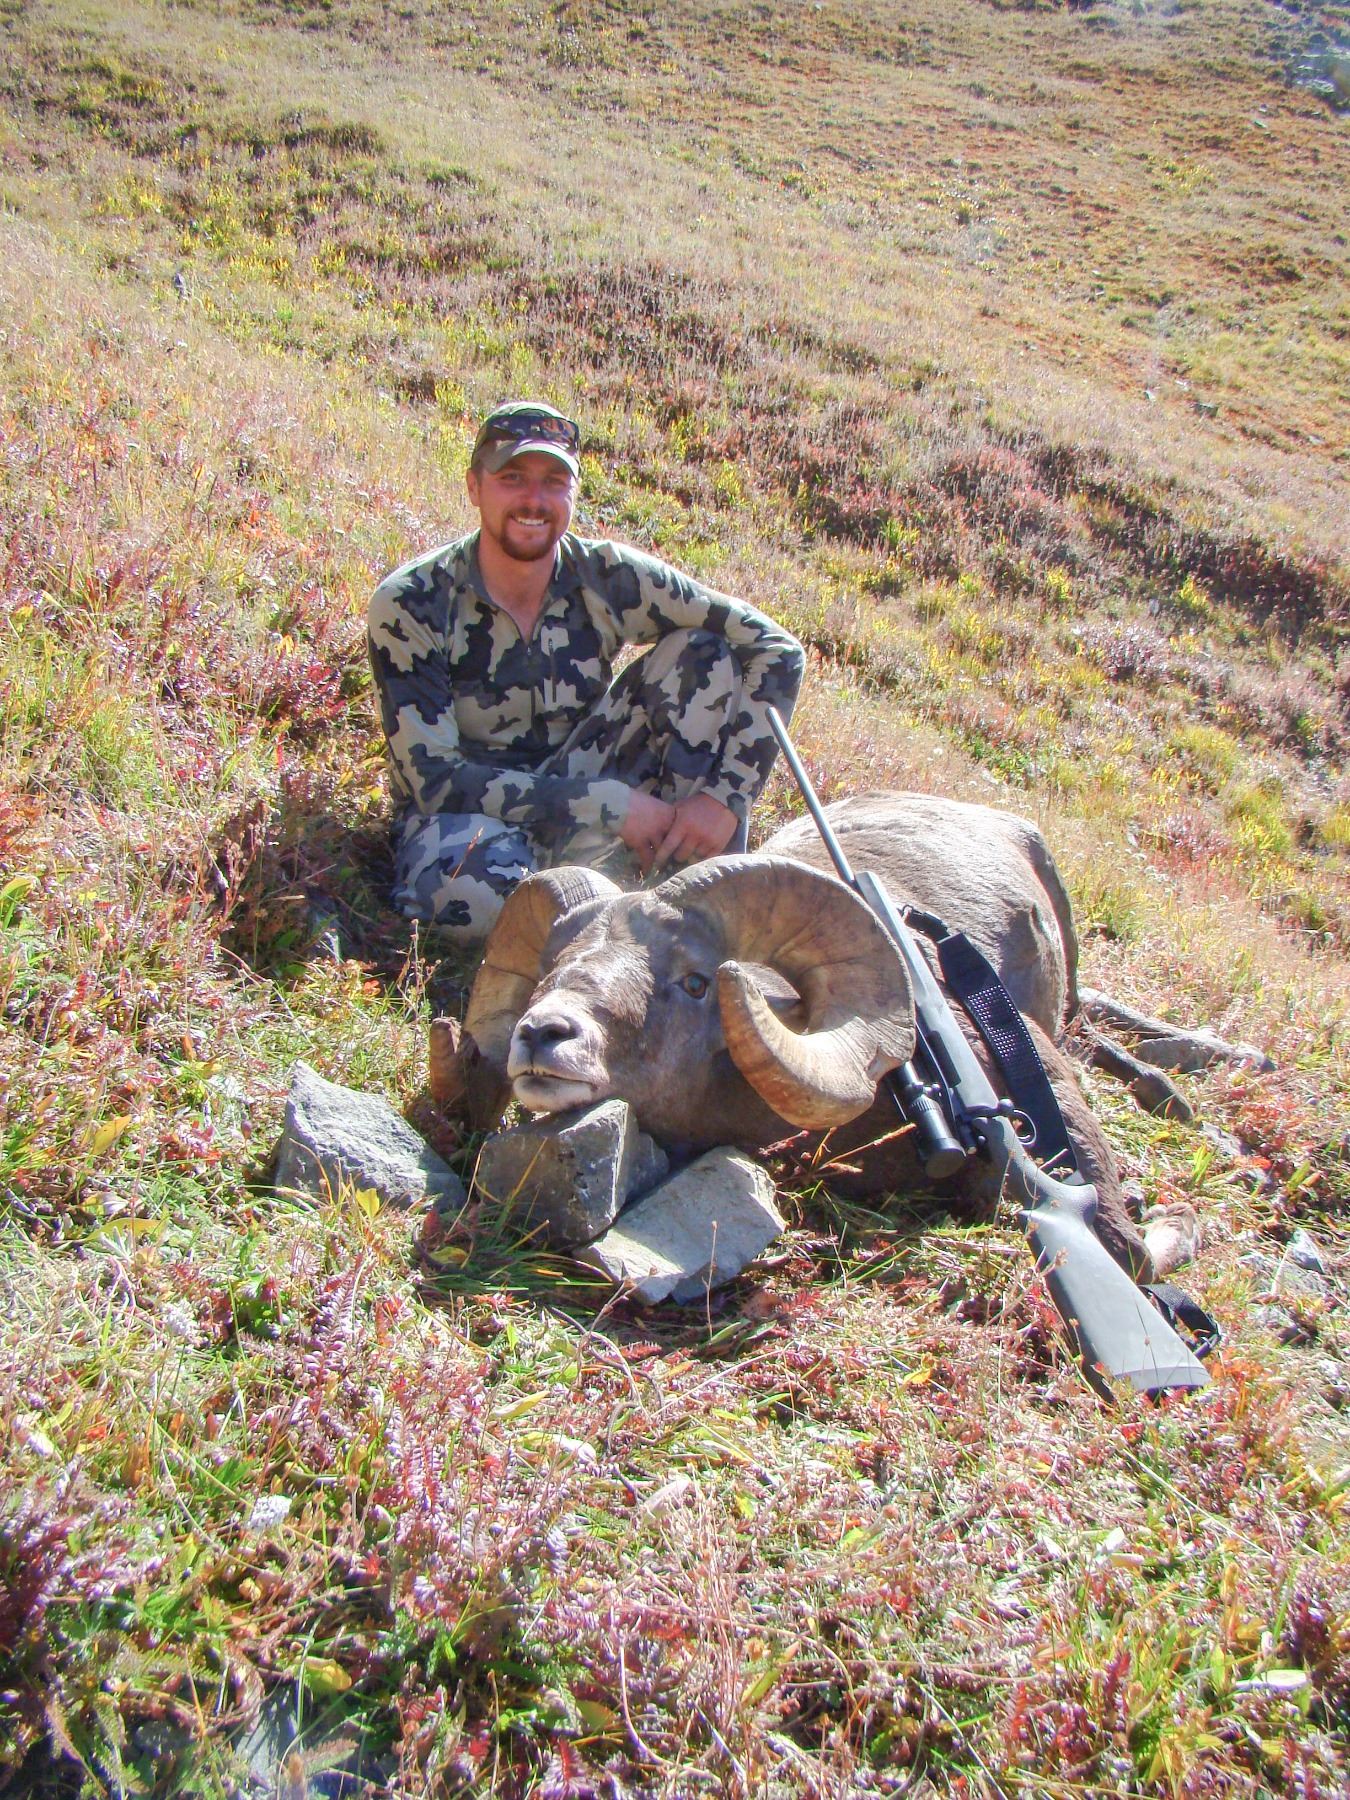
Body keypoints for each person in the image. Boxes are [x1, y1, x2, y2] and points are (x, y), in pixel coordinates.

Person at [368, 400, 805, 941]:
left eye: (554, 482)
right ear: (474, 487)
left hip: (586, 778)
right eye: (512, 478)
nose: (534, 500)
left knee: (703, 655)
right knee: (472, 893)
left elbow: (776, 649)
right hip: (469, 819)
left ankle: (690, 889)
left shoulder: (609, 576)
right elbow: (434, 781)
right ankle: (629, 924)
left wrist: (726, 798)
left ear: (574, 493)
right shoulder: (412, 603)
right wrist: (610, 805)